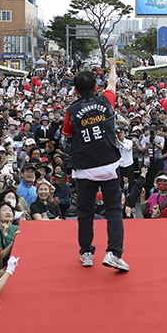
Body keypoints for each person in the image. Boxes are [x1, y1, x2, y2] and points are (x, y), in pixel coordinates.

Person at [61, 57, 128, 271]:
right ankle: (114, 253)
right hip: (108, 164)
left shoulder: (71, 111)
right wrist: (112, 66)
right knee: (114, 210)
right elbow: (112, 83)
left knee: (85, 212)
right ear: (96, 87)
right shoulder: (106, 100)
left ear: (75, 90)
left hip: (84, 167)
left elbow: (67, 134)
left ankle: (87, 253)